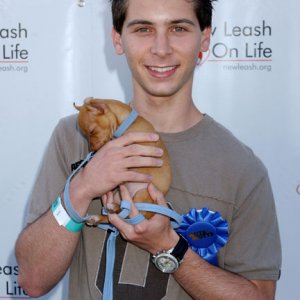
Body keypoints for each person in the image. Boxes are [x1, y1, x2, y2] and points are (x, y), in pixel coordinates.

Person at [15, 0, 281, 299]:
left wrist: (168, 246)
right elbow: (33, 280)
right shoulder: (74, 136)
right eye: (143, 29)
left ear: (204, 38)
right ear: (118, 39)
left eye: (178, 28)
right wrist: (82, 187)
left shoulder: (241, 168)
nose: (161, 48)